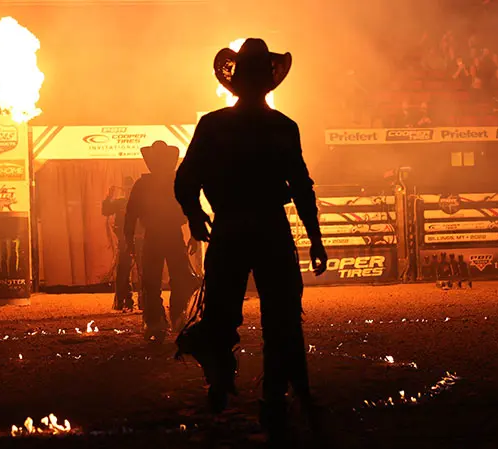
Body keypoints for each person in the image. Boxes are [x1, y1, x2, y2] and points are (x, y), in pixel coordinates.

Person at [173, 38, 328, 443]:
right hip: (270, 229)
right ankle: (274, 398)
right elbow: (302, 187)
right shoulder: (282, 127)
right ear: (267, 82)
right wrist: (315, 238)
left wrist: (194, 214)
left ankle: (220, 383)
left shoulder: (213, 124)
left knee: (221, 313)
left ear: (235, 82)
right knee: (282, 318)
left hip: (229, 228)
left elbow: (186, 178)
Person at [124, 141, 200, 342]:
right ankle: (170, 318)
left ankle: (163, 319)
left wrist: (129, 238)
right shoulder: (175, 182)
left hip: (161, 236)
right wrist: (194, 235)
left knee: (156, 279)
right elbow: (193, 209)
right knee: (161, 279)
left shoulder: (147, 184)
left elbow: (131, 214)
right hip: (168, 235)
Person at [102, 176, 135, 311]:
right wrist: (109, 198)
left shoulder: (138, 202)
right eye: (126, 188)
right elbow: (106, 211)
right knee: (123, 271)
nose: (128, 191)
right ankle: (125, 300)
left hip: (138, 239)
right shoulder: (121, 202)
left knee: (141, 271)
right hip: (125, 240)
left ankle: (142, 301)